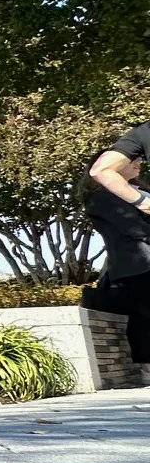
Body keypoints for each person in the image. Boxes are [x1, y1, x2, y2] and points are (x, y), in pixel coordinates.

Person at [85, 120, 150, 373]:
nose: (138, 161)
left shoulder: (141, 190)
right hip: (137, 267)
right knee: (145, 314)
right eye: (132, 158)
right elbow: (135, 230)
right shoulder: (102, 197)